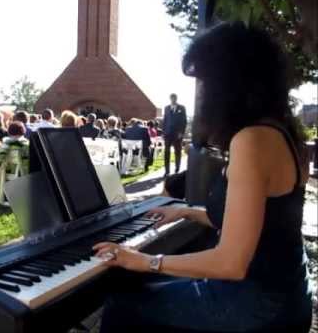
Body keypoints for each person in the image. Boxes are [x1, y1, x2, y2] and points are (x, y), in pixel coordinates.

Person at [94, 22, 312, 332]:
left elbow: (230, 264)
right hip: (288, 293)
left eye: (205, 82)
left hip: (262, 305)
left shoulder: (252, 141)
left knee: (122, 306)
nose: (202, 93)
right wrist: (185, 210)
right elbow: (261, 222)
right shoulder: (281, 132)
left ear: (230, 82)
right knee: (143, 284)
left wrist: (145, 261)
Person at [163, 93, 187, 175]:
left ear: (176, 99)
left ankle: (177, 169)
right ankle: (167, 171)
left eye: (174, 98)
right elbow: (165, 121)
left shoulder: (182, 108)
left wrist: (181, 133)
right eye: (172, 98)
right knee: (166, 152)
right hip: (168, 134)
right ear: (170, 99)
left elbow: (184, 121)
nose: (173, 99)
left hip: (177, 134)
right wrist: (164, 132)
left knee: (178, 152)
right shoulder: (166, 108)